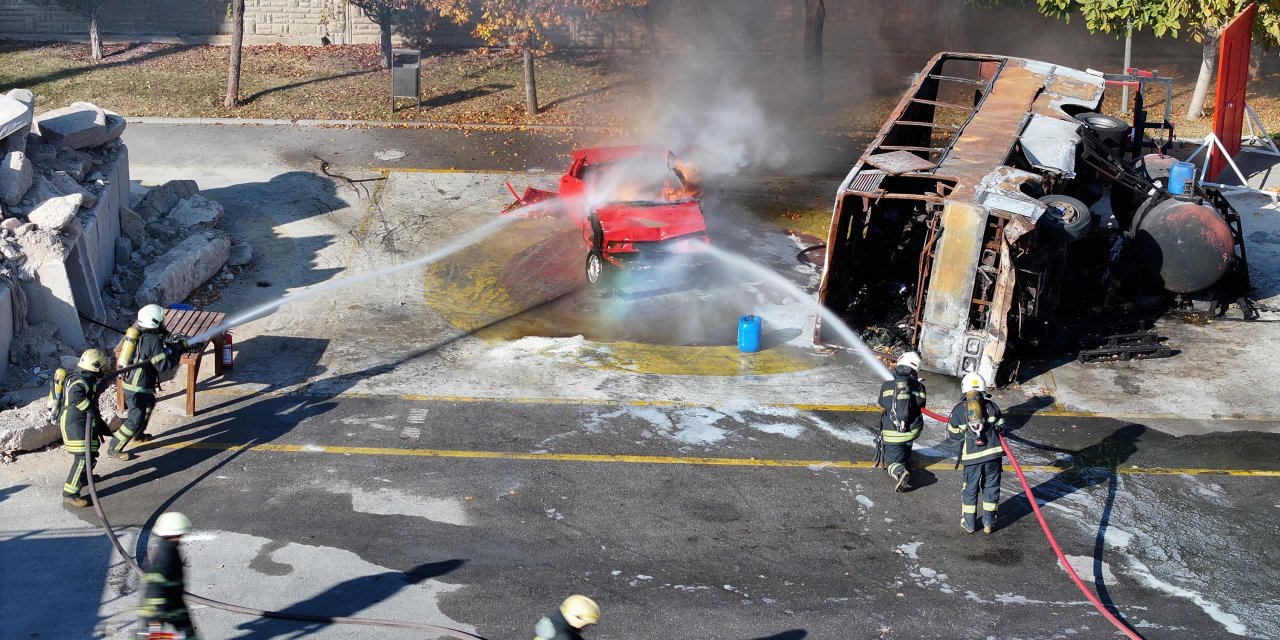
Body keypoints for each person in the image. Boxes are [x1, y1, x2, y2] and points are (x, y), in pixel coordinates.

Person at [109, 304, 183, 461]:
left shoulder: (144, 337)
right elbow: (164, 365)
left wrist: (173, 345)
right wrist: (179, 353)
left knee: (149, 404)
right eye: (162, 321)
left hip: (137, 383)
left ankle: (138, 434)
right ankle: (114, 447)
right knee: (135, 417)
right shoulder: (153, 341)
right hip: (138, 386)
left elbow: (155, 353)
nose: (164, 324)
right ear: (155, 322)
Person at [947, 372, 1006, 534]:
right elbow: (1002, 428)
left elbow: (952, 434)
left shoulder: (959, 410)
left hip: (972, 458)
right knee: (991, 486)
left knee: (970, 489)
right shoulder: (992, 406)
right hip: (994, 455)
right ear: (983, 389)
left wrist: (964, 435)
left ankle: (969, 523)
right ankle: (989, 523)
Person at [60, 349, 110, 508]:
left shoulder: (84, 377)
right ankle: (70, 494)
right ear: (96, 367)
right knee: (83, 456)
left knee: (91, 451)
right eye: (102, 367)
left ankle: (84, 477)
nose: (104, 370)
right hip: (75, 424)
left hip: (81, 423)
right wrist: (89, 408)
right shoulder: (82, 381)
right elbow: (76, 397)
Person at [139, 512, 200, 639]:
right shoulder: (164, 557)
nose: (181, 537)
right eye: (179, 534)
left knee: (188, 634)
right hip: (159, 609)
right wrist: (155, 618)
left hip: (174, 603)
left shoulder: (170, 548)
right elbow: (155, 589)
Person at [877, 352, 927, 492]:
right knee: (906, 441)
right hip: (913, 431)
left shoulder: (887, 385)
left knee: (891, 462)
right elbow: (922, 404)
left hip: (894, 433)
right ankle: (907, 457)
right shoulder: (920, 388)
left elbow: (882, 402)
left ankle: (900, 471)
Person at [534, 594, 599, 640]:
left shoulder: (549, 621)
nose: (585, 627)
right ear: (577, 618)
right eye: (586, 624)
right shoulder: (563, 637)